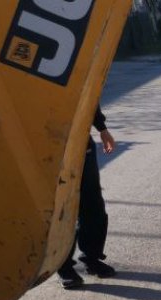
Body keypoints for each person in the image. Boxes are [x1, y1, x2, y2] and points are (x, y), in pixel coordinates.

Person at [57, 105, 118, 289]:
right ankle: (64, 267)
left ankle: (91, 258)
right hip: (48, 144)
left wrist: (102, 128)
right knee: (62, 210)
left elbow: (88, 94)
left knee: (93, 205)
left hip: (81, 142)